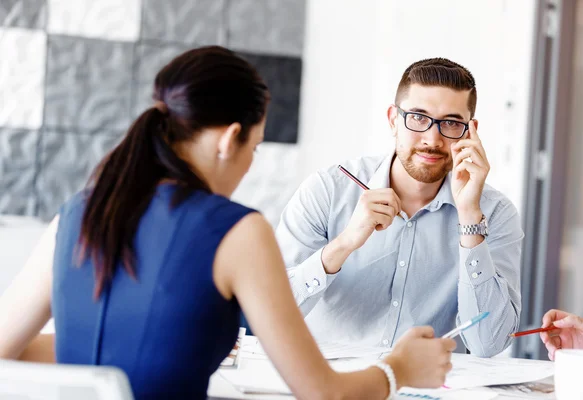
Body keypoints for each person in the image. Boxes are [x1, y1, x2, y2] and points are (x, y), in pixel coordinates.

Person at [0, 46, 456, 399]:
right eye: (254, 149)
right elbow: (323, 392)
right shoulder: (237, 231)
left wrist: (111, 339)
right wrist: (399, 368)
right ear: (230, 138)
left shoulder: (78, 213)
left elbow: (9, 348)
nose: (248, 165)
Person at [277, 58, 523, 357]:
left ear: (470, 131)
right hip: (330, 383)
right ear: (393, 119)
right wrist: (343, 244)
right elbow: (273, 313)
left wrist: (470, 218)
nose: (432, 139)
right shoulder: (327, 191)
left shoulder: (494, 213)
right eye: (418, 117)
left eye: (451, 123)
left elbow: (489, 344)